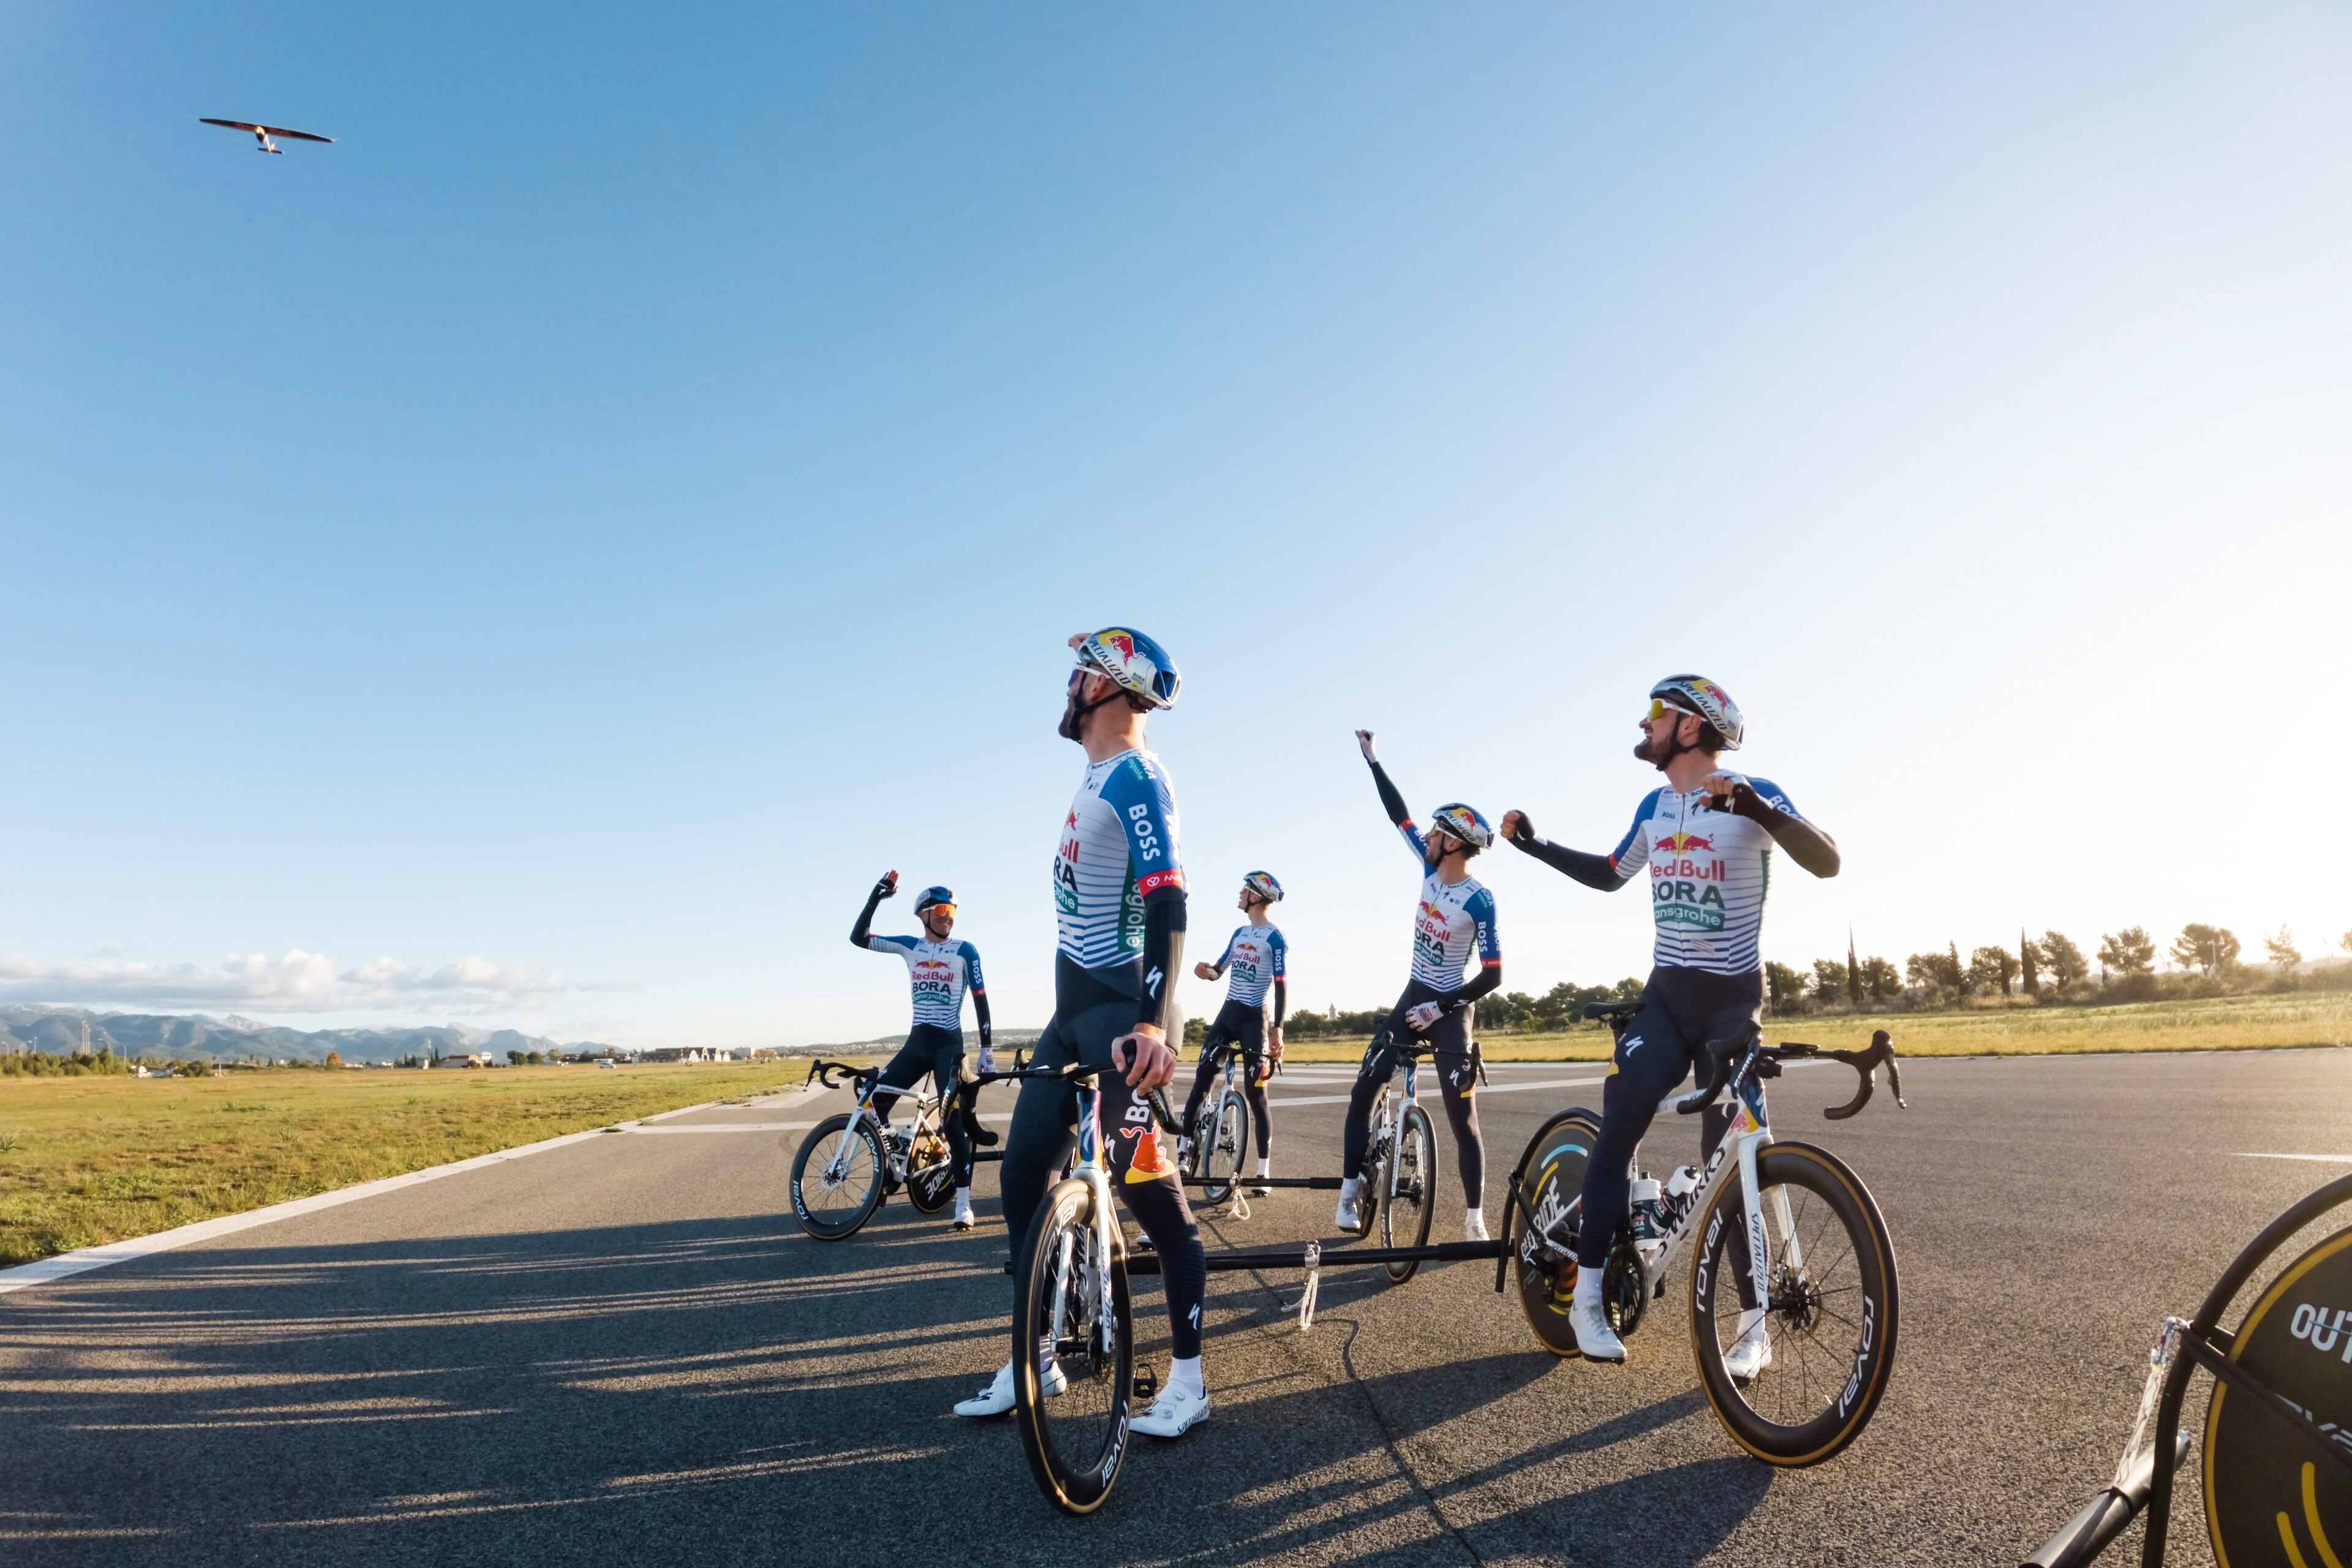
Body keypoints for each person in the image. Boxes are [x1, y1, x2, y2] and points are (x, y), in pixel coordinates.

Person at [1501, 674, 1839, 1375]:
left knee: (1735, 1152)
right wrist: (1536, 848)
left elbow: (1827, 860)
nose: (1645, 722)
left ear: (1692, 726)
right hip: (1665, 998)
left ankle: (1753, 1326)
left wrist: (1753, 806)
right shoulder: (1655, 804)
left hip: (1730, 1003)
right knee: (1621, 1115)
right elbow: (1608, 872)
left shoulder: (1750, 793)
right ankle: (1587, 1297)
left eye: (1658, 712)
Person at [952, 628, 1213, 1439]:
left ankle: (1191, 1383)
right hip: (1072, 1015)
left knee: (1151, 1200)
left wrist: (1156, 1022)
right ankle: (1040, 1354)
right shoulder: (1096, 776)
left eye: (1079, 674)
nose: (1068, 686)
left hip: (1118, 1016)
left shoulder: (1136, 776)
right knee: (1023, 1175)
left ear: (1106, 687)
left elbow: (1170, 897)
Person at [1338, 731, 1502, 1242]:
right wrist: (1373, 761)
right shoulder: (1429, 865)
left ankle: (1474, 1217)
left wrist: (1441, 1009)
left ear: (1454, 841)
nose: (1427, 836)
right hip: (1413, 994)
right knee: (1365, 1086)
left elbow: (1494, 974)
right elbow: (1398, 815)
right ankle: (1348, 1190)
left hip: (1452, 1009)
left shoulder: (1480, 900)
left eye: (1437, 832)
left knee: (1464, 1119)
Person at [850, 876, 995, 1231]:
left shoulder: (965, 950)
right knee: (875, 1102)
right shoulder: (910, 947)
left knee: (952, 1122)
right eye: (943, 911)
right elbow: (859, 938)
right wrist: (875, 898)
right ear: (925, 915)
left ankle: (963, 1203)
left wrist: (987, 1050)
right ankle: (899, 1145)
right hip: (917, 1044)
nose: (949, 918)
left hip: (949, 1045)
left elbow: (980, 1000)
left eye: (953, 912)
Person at [1182, 872, 1287, 1195]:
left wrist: (1278, 1029)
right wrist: (1207, 971)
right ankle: (1185, 1152)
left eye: (1245, 890)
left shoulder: (1275, 938)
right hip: (1228, 1015)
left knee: (1258, 1096)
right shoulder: (1239, 933)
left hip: (1256, 1020)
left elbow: (1282, 986)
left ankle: (1263, 1172)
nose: (1240, 894)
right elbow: (1219, 969)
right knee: (1202, 1082)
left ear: (1256, 897)